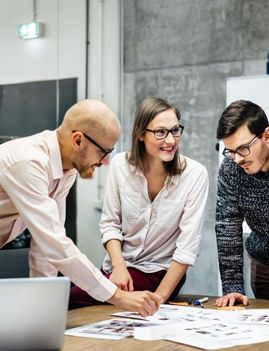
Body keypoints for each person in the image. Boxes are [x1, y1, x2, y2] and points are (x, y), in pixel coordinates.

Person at [0, 99, 161, 317]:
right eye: (104, 151)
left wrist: (41, 312)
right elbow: (55, 244)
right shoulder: (28, 162)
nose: (106, 162)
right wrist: (117, 295)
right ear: (77, 140)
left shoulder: (66, 171)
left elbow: (45, 249)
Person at [69, 96, 209, 308]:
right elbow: (110, 224)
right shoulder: (120, 166)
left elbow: (187, 247)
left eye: (175, 130)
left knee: (70, 299)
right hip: (117, 269)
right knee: (71, 295)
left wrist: (160, 299)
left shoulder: (195, 174)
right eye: (161, 132)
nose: (170, 140)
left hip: (160, 274)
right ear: (141, 134)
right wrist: (118, 267)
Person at [215, 99, 269, 307]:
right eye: (230, 151)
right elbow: (227, 225)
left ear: (266, 136)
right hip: (264, 264)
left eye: (243, 149)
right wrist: (233, 287)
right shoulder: (231, 168)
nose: (237, 159)